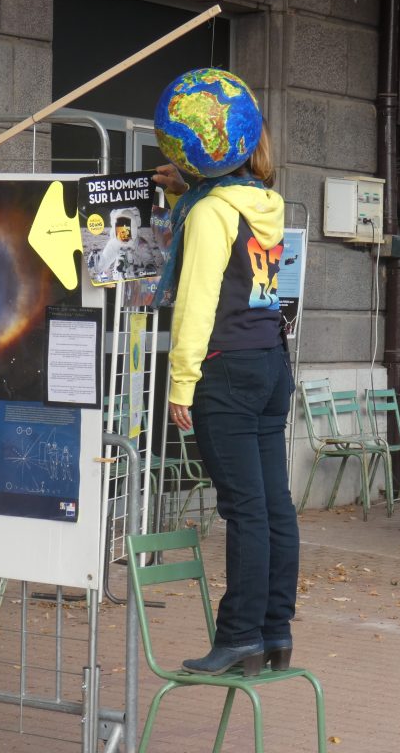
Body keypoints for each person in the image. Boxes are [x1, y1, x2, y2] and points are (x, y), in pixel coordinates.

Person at [153, 115, 296, 677]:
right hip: (268, 362)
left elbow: (197, 302)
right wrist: (188, 191)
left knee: (245, 510)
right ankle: (275, 632)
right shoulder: (265, 202)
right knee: (273, 505)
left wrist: (180, 382)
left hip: (225, 368)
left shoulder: (212, 212)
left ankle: (238, 637)